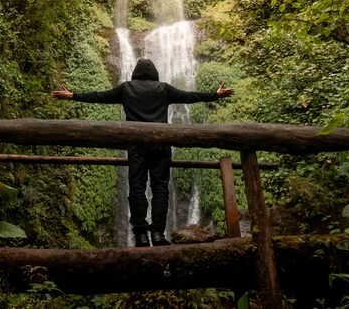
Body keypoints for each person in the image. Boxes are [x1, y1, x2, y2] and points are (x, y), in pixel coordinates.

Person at [51, 58, 233, 247]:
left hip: (136, 146)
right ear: (154, 72)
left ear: (135, 72)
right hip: (161, 145)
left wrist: (72, 95)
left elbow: (99, 96)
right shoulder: (164, 89)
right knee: (160, 189)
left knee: (137, 188)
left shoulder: (126, 88)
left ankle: (140, 236)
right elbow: (189, 96)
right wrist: (215, 95)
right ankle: (158, 234)